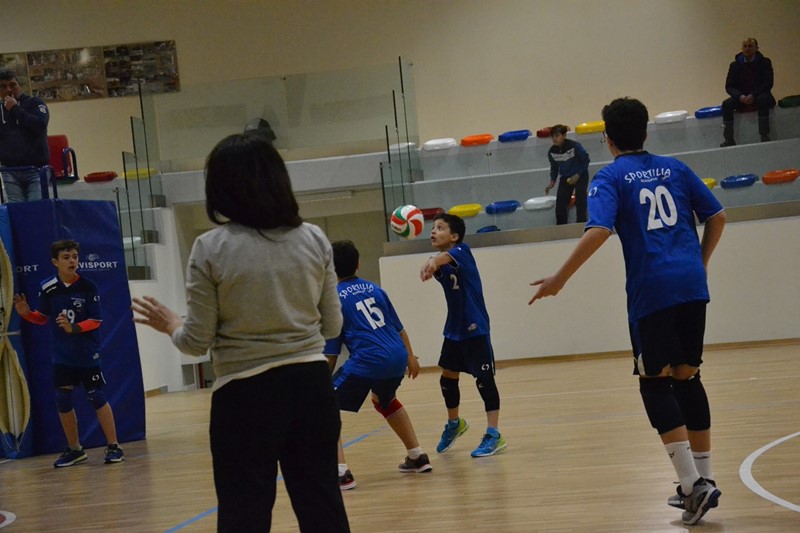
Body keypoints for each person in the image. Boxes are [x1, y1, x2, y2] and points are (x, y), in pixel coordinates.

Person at [131, 133, 350, 532]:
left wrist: (172, 324)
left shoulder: (210, 247)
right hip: (311, 388)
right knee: (323, 509)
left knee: (243, 516)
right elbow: (333, 325)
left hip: (245, 397)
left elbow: (196, 341)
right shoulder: (314, 237)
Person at [529, 97, 726, 526]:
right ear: (645, 131)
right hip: (692, 285)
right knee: (688, 376)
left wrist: (559, 278)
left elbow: (599, 229)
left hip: (652, 291)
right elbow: (718, 216)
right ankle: (704, 480)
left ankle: (692, 486)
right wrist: (700, 263)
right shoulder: (676, 167)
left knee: (654, 384)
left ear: (608, 139)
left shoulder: (611, 177)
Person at [325, 240, 431, 490]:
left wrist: (319, 383)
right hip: (396, 356)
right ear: (358, 264)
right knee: (384, 400)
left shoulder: (334, 299)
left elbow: (331, 352)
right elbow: (399, 327)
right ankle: (417, 456)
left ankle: (341, 473)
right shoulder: (375, 289)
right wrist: (410, 356)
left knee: (325, 406)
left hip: (369, 360)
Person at [13, 240, 125, 467]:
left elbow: (96, 320)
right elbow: (42, 318)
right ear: (55, 262)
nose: (72, 261)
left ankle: (114, 446)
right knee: (63, 399)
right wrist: (26, 314)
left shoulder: (88, 286)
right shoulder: (48, 287)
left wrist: (73, 328)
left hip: (87, 352)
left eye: (74, 256)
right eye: (66, 257)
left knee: (96, 396)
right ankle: (75, 449)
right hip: (62, 355)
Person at [420, 213, 507, 458]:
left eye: (440, 228)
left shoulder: (463, 251)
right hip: (454, 329)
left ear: (455, 236)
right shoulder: (442, 260)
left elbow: (443, 258)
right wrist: (431, 263)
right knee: (447, 378)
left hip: (475, 327)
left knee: (484, 379)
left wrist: (432, 262)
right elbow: (439, 262)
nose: (433, 231)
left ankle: (494, 434)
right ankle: (454, 423)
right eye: (433, 227)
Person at [0, 69, 50, 202]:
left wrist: (15, 109)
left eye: (12, 85)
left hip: (36, 169)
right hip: (9, 170)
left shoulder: (35, 103)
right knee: (16, 209)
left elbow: (40, 125)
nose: (8, 89)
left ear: (20, 86)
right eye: (3, 87)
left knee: (35, 207)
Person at [720, 38, 776, 146]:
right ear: (741, 48)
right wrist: (739, 96)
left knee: (762, 100)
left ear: (756, 48)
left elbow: (768, 83)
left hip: (760, 95)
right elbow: (729, 86)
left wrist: (753, 95)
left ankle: (764, 135)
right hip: (742, 97)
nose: (747, 48)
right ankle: (729, 139)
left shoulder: (765, 62)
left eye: (750, 46)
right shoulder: (734, 65)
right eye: (745, 46)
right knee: (726, 104)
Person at [545, 124, 590, 225]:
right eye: (552, 136)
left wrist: (577, 175)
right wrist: (552, 182)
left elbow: (586, 160)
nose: (554, 139)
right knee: (560, 203)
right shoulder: (552, 152)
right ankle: (561, 227)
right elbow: (554, 167)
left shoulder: (575, 146)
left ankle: (581, 224)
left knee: (580, 199)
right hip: (565, 177)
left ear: (564, 135)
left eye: (557, 135)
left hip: (580, 175)